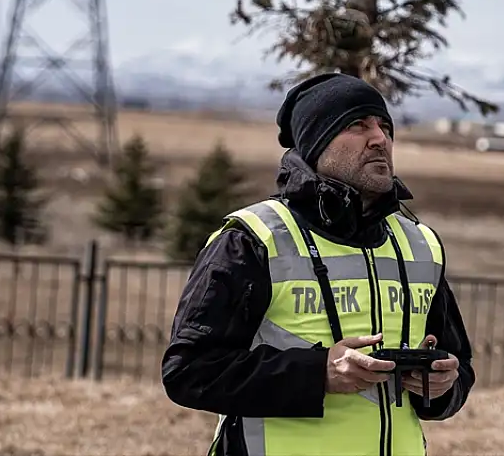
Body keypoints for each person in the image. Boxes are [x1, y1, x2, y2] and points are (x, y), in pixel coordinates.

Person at [162, 72, 475, 456]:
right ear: (316, 142)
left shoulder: (420, 245)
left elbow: (459, 368)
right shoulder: (254, 239)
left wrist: (441, 386)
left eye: (385, 126)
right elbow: (189, 371)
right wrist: (317, 373)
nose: (379, 139)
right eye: (357, 125)